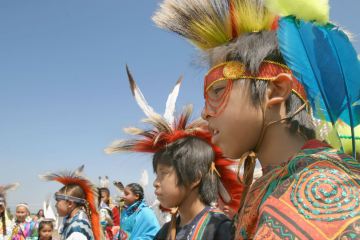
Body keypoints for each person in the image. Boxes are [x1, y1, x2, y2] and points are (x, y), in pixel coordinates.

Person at [153, 0, 360, 239]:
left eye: (218, 91)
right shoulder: (279, 184)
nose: (204, 113)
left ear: (276, 90)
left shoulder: (322, 194)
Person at [105, 69, 235, 239]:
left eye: (164, 174)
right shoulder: (165, 232)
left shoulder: (220, 229)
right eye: (156, 175)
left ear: (195, 177)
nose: (155, 184)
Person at [40, 166, 101, 240]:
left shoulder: (77, 229)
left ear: (69, 204)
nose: (55, 205)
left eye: (58, 200)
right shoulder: (73, 221)